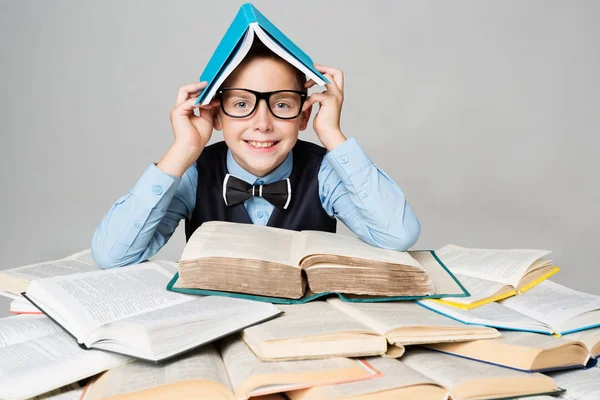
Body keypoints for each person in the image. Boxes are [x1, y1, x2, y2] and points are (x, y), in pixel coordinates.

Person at [91, 41, 420, 269]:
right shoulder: (194, 171)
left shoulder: (324, 171)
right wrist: (183, 150)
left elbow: (397, 235)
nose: (262, 124)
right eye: (241, 105)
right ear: (216, 115)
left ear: (304, 116)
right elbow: (112, 256)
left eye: (281, 105)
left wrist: (333, 135)